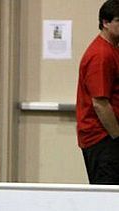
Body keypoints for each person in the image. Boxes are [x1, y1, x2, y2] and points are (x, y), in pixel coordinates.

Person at [76, 0, 119, 184]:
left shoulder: (112, 50)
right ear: (105, 22)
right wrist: (117, 136)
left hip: (106, 138)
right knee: (108, 197)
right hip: (103, 139)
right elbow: (100, 103)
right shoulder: (101, 55)